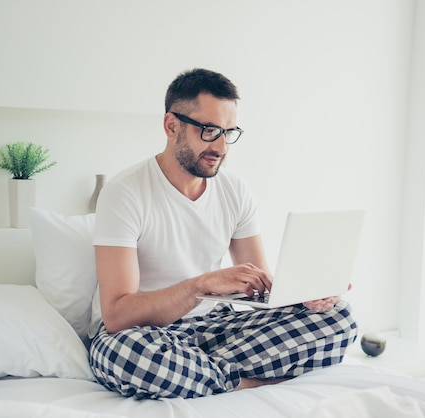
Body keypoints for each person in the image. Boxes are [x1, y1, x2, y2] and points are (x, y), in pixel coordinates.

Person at [89, 68, 357, 400]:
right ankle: (247, 383)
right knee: (120, 355)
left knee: (338, 318)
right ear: (172, 126)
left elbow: (261, 288)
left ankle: (197, 375)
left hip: (214, 329)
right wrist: (200, 285)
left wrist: (303, 295)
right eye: (210, 130)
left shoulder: (235, 190)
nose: (221, 147)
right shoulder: (124, 192)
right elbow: (116, 316)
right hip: (144, 335)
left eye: (229, 133)